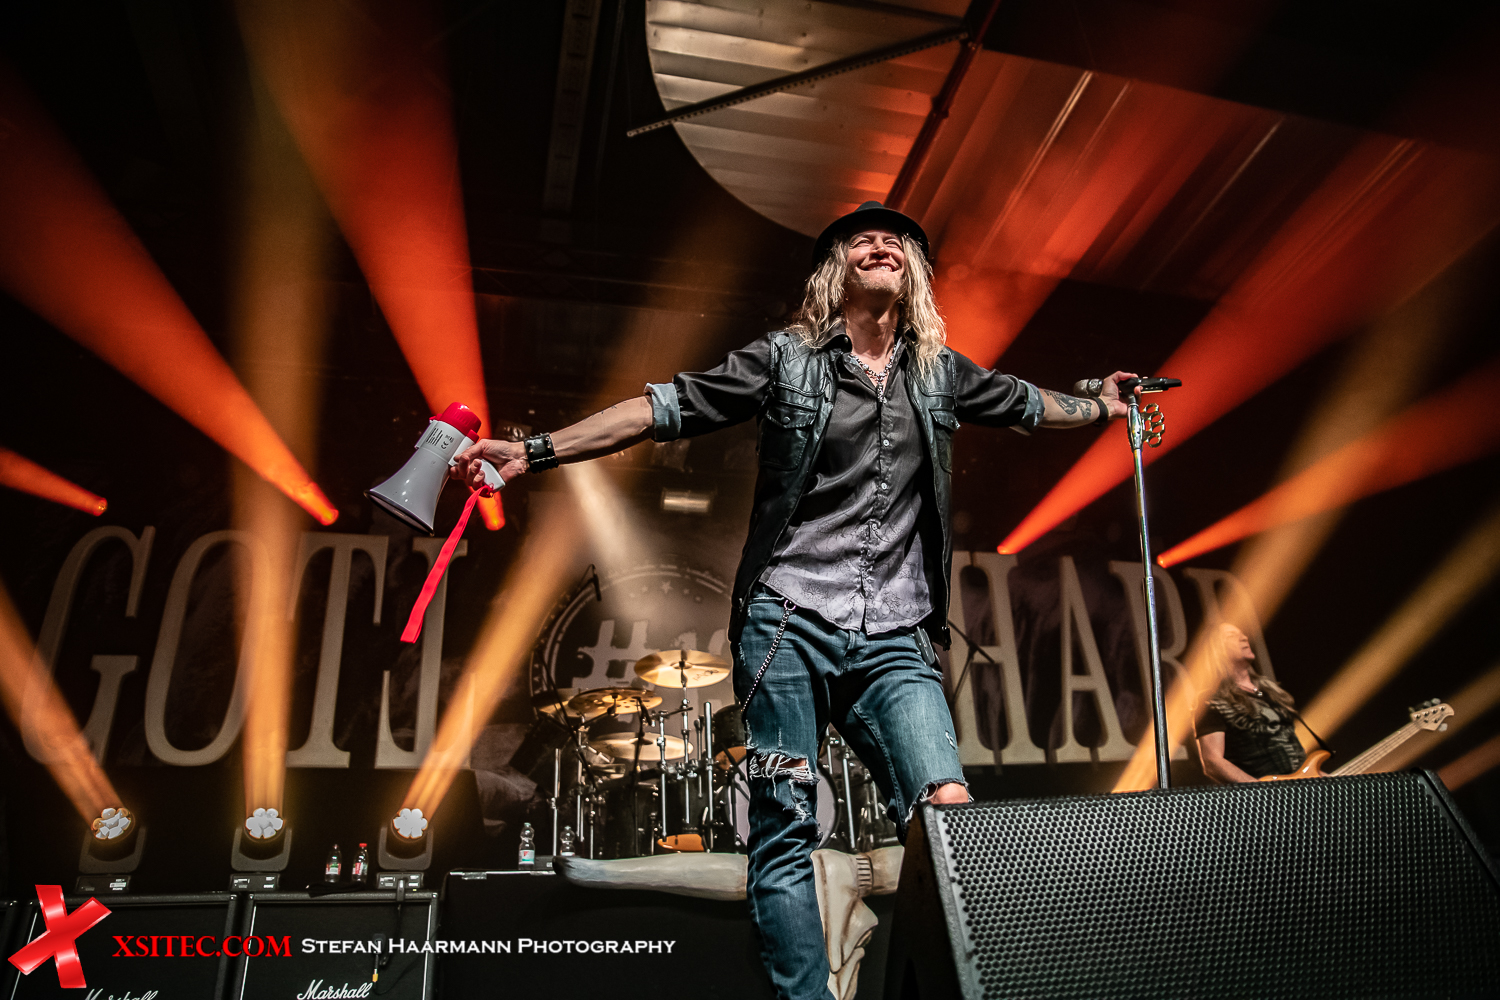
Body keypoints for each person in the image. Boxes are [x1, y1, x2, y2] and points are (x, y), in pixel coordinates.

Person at [455, 202, 1137, 1000]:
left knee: (947, 809)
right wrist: (534, 451)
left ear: (915, 273)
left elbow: (1031, 403)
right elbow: (657, 409)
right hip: (787, 623)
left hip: (894, 632)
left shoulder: (939, 372)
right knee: (785, 827)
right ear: (834, 272)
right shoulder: (785, 359)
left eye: (898, 240)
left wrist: (1103, 406)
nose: (881, 243)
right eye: (862, 238)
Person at [1195, 622, 1307, 782]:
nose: (1244, 637)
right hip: (1265, 794)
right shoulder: (1212, 701)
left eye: (1242, 633)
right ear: (1216, 650)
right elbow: (1213, 762)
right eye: (1232, 635)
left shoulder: (1271, 691)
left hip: (1304, 787)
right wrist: (1260, 792)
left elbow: (1295, 749)